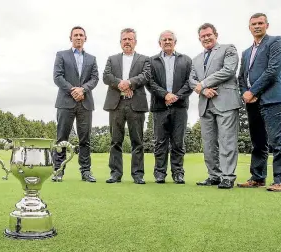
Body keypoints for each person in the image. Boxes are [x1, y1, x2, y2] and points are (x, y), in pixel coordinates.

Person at [237, 13, 281, 192]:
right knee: (258, 142)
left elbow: (273, 70)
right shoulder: (246, 52)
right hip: (251, 102)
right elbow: (241, 77)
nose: (257, 26)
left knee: (278, 141)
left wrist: (253, 91)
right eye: (254, 24)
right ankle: (258, 177)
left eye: (260, 23)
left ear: (267, 25)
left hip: (272, 99)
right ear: (249, 27)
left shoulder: (276, 42)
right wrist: (245, 92)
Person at [189, 23, 242, 189]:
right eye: (203, 36)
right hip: (206, 104)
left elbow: (229, 70)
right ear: (199, 39)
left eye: (209, 35)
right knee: (208, 143)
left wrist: (204, 83)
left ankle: (227, 176)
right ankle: (214, 175)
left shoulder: (228, 49)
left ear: (216, 35)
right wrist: (203, 90)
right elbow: (191, 80)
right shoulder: (196, 59)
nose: (206, 38)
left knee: (227, 140)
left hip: (225, 101)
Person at [103, 28, 151, 184]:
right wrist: (120, 84)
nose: (127, 42)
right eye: (124, 39)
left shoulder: (144, 59)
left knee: (137, 141)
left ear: (135, 42)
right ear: (120, 42)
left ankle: (138, 174)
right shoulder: (112, 59)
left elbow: (146, 76)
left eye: (130, 39)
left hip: (136, 104)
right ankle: (115, 173)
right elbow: (106, 76)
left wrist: (130, 83)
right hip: (116, 104)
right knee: (116, 140)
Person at [52, 26, 99, 182]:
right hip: (65, 102)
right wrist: (73, 90)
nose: (78, 37)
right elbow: (57, 77)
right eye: (76, 35)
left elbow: (94, 79)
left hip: (85, 103)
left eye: (81, 35)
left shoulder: (92, 59)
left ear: (85, 38)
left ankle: (86, 171)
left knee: (85, 139)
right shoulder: (61, 55)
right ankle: (58, 170)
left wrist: (83, 90)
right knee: (62, 139)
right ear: (70, 38)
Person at [147, 30, 192, 184]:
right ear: (159, 43)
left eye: (170, 39)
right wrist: (165, 95)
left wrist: (176, 96)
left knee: (178, 142)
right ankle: (160, 173)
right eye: (164, 39)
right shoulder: (151, 61)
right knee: (160, 142)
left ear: (175, 42)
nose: (167, 42)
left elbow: (190, 82)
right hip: (160, 106)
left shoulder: (186, 60)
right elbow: (150, 82)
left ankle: (178, 173)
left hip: (179, 107)